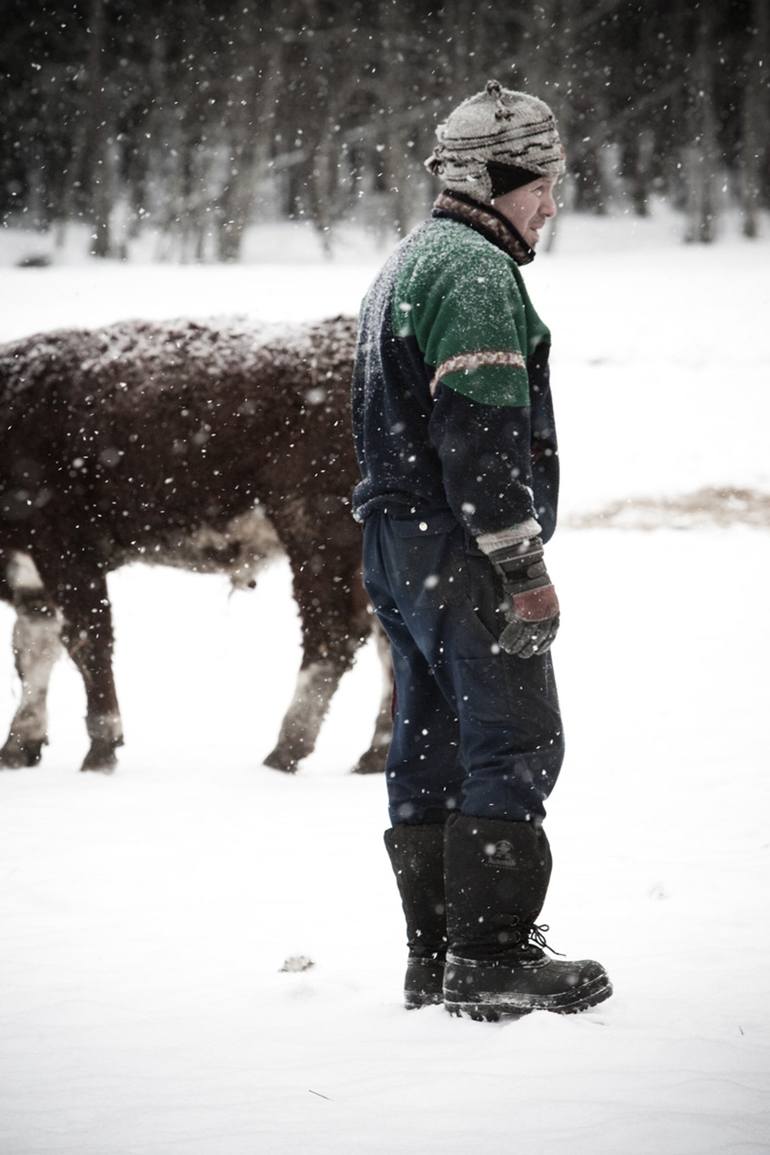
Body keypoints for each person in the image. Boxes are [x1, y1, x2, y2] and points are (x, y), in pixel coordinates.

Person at [351, 80, 612, 1021]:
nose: (552, 202)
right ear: (500, 175)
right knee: (514, 739)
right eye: (544, 181)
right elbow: (482, 435)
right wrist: (522, 567)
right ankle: (494, 957)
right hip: (460, 547)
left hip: (395, 546)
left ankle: (437, 958)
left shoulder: (405, 263)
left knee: (430, 747)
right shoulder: (472, 271)